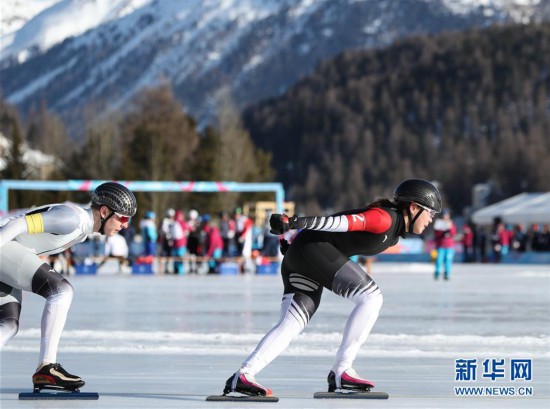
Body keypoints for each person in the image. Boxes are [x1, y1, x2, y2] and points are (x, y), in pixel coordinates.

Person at [221, 178, 441, 397]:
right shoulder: (384, 218)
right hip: (312, 250)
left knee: (291, 323)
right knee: (371, 297)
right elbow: (338, 222)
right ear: (413, 208)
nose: (431, 220)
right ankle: (342, 370)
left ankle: (243, 376)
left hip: (304, 254)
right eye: (430, 213)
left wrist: (298, 244)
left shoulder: (395, 233)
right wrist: (295, 222)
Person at [0, 182, 137, 392]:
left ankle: (46, 369)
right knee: (61, 291)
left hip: (10, 252)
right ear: (104, 211)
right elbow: (17, 225)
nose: (125, 225)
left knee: (8, 325)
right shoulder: (72, 219)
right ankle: (47, 367)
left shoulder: (81, 228)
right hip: (4, 247)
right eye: (123, 218)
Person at [432, 208, 457, 279]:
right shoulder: (439, 223)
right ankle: (437, 272)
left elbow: (453, 233)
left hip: (449, 245)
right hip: (441, 245)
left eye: (446, 215)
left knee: (448, 259)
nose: (445, 216)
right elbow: (436, 233)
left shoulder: (451, 223)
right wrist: (443, 233)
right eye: (444, 215)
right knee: (439, 259)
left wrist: (449, 228)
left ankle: (447, 273)